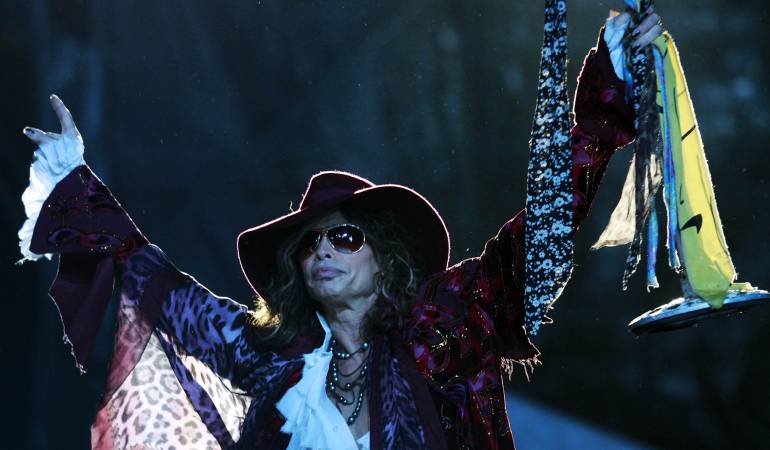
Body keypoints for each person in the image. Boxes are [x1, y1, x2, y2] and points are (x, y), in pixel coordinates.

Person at [18, 10, 662, 450]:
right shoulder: (275, 356)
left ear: (385, 258)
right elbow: (167, 293)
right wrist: (74, 181)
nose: (322, 249)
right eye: (309, 244)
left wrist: (605, 100)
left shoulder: (447, 322)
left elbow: (543, 227)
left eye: (344, 237)